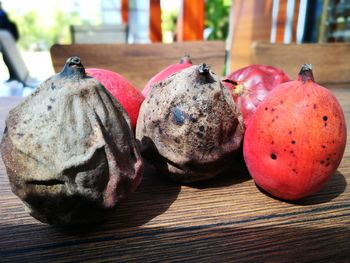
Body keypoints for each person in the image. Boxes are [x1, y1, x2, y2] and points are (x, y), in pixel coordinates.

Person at [0, 1, 20, 81]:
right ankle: (13, 76)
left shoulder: (2, 14)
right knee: (7, 60)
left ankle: (13, 76)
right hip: (6, 42)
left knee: (8, 60)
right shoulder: (3, 13)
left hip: (6, 42)